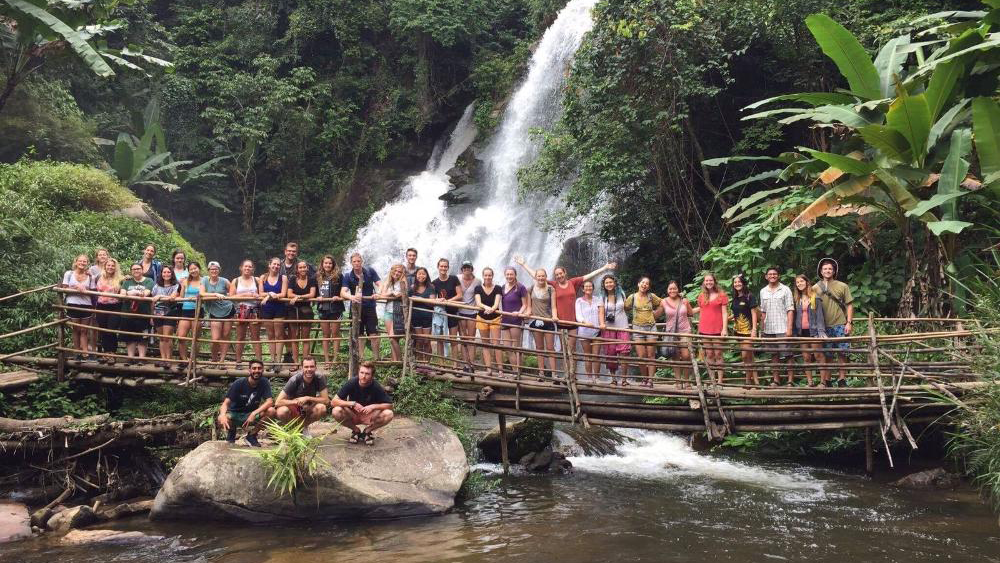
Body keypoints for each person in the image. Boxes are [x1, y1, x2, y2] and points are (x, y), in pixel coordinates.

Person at [513, 257, 617, 357]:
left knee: (572, 349)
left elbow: (588, 276)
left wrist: (604, 267)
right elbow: (537, 276)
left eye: (560, 273)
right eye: (557, 274)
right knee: (563, 350)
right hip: (559, 322)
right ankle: (566, 374)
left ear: (565, 273)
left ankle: (572, 375)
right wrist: (523, 264)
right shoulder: (553, 285)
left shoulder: (573, 282)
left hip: (573, 321)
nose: (559, 276)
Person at [331, 361, 394, 446]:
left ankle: (367, 432)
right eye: (362, 373)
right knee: (336, 411)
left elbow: (390, 405)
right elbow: (333, 402)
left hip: (369, 415)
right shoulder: (352, 382)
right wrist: (352, 403)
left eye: (367, 374)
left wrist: (373, 406)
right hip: (353, 414)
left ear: (372, 376)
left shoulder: (376, 386)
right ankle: (356, 430)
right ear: (358, 372)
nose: (363, 376)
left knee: (389, 414)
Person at [813, 257, 854, 387]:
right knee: (828, 354)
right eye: (825, 268)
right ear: (821, 271)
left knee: (842, 352)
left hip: (840, 323)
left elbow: (849, 305)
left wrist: (849, 322)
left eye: (830, 268)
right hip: (823, 326)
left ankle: (842, 379)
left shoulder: (842, 286)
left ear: (834, 270)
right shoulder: (815, 288)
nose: (827, 271)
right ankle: (828, 379)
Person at [217, 359, 275, 447]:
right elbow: (225, 403)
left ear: (262, 370)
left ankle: (252, 435)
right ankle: (231, 434)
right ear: (249, 370)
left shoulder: (264, 382)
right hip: (235, 413)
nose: (256, 371)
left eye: (259, 368)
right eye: (254, 368)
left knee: (271, 411)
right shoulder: (239, 383)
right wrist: (222, 415)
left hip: (250, 414)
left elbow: (270, 401)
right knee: (221, 418)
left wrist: (254, 413)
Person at [341, 252, 381, 360]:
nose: (357, 263)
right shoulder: (348, 276)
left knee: (374, 332)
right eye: (354, 261)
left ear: (362, 261)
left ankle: (376, 358)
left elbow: (380, 284)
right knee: (359, 334)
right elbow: (343, 292)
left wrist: (378, 293)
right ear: (351, 263)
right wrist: (351, 297)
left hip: (370, 307)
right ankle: (360, 358)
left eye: (358, 261)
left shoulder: (370, 271)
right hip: (355, 309)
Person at [759, 267, 795, 386]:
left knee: (788, 354)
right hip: (769, 328)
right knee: (773, 355)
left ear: (778, 276)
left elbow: (790, 309)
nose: (772, 276)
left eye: (775, 274)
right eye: (770, 274)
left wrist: (789, 328)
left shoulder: (785, 289)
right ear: (766, 277)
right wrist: (762, 329)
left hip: (783, 327)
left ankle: (790, 381)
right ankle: (776, 380)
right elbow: (763, 312)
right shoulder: (763, 291)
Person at [275, 357, 329, 431]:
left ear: (316, 368)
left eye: (312, 366)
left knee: (321, 408)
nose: (309, 369)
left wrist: (307, 398)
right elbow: (277, 402)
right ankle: (290, 428)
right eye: (306, 367)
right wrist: (296, 402)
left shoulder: (320, 378)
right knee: (282, 411)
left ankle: (302, 428)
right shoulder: (294, 379)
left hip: (308, 408)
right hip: (292, 408)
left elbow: (326, 400)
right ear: (302, 368)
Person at [625, 276, 661, 386]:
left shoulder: (651, 296)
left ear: (648, 286)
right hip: (637, 328)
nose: (644, 285)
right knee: (641, 356)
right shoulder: (632, 297)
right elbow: (625, 307)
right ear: (638, 284)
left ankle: (650, 380)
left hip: (651, 328)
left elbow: (663, 303)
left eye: (647, 283)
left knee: (651, 355)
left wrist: (657, 314)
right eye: (642, 283)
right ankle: (644, 378)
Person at [659, 280, 694, 388]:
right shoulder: (663, 302)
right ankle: (678, 381)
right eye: (670, 288)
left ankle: (687, 381)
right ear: (667, 290)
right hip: (671, 332)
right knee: (674, 356)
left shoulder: (684, 301)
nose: (672, 290)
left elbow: (691, 313)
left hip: (685, 331)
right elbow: (657, 314)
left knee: (686, 356)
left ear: (678, 289)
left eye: (674, 288)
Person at [694, 272, 729, 384]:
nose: (708, 282)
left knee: (718, 354)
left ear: (714, 282)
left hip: (717, 329)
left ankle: (720, 381)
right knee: (708, 354)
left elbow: (724, 313)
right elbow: (700, 309)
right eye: (706, 281)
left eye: (710, 280)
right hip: (704, 329)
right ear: (704, 282)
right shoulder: (701, 296)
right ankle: (712, 379)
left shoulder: (721, 295)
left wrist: (724, 329)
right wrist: (685, 308)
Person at [793, 274, 827, 387]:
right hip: (802, 332)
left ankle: (823, 382)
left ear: (807, 282)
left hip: (814, 331)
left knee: (818, 356)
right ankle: (810, 382)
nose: (799, 284)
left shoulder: (815, 297)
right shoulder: (797, 299)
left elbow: (820, 316)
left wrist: (821, 332)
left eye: (801, 281)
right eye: (797, 282)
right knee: (806, 357)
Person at [598, 274, 630, 385]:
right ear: (604, 285)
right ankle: (613, 379)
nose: (609, 284)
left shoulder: (621, 294)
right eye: (606, 283)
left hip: (623, 326)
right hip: (608, 328)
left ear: (615, 283)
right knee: (610, 354)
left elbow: (627, 307)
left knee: (624, 353)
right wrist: (602, 323)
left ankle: (624, 379)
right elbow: (601, 312)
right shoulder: (602, 297)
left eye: (610, 282)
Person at [526, 268, 558, 378]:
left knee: (550, 348)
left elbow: (553, 306)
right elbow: (529, 306)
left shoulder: (551, 289)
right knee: (539, 347)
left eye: (542, 276)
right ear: (535, 277)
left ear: (546, 277)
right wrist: (528, 313)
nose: (540, 278)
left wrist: (554, 316)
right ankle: (541, 373)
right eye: (538, 276)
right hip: (535, 321)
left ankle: (554, 374)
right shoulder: (530, 289)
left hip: (548, 320)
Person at [61, 254, 94, 359]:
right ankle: (76, 351)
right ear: (76, 262)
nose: (82, 263)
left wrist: (85, 289)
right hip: (73, 303)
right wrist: (76, 286)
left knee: (84, 330)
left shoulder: (90, 276)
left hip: (86, 304)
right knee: (75, 329)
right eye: (80, 261)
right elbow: (64, 288)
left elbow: (93, 291)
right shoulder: (69, 274)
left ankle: (85, 352)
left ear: (87, 263)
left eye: (84, 261)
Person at [119, 262, 154, 363]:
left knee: (143, 336)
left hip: (143, 313)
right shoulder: (127, 282)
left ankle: (141, 358)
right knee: (129, 336)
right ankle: (131, 357)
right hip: (127, 313)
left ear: (142, 270)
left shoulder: (148, 281)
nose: (136, 271)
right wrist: (134, 293)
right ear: (131, 271)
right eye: (134, 269)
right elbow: (122, 293)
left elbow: (146, 293)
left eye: (138, 269)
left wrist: (131, 293)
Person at [230, 260, 262, 367]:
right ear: (241, 268)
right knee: (240, 337)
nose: (247, 268)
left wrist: (257, 295)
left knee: (255, 337)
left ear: (253, 269)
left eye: (250, 267)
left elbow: (261, 294)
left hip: (255, 309)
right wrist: (247, 294)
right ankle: (238, 361)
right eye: (245, 266)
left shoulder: (257, 280)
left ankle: (259, 362)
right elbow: (232, 296)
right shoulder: (236, 281)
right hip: (241, 309)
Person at [431, 258, 462, 365]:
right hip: (440, 313)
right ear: (438, 267)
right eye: (441, 266)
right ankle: (441, 364)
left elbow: (459, 295)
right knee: (440, 340)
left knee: (453, 340)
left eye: (445, 266)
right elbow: (433, 298)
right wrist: (439, 301)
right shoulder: (434, 283)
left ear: (448, 267)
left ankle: (455, 365)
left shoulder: (454, 279)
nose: (443, 268)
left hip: (452, 312)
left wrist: (448, 301)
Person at [315, 255, 345, 367]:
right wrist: (317, 296)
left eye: (330, 263)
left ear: (333, 265)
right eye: (326, 263)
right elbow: (314, 291)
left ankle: (335, 359)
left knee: (335, 334)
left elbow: (344, 290)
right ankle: (327, 360)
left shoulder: (339, 276)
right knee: (326, 334)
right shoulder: (318, 276)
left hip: (336, 308)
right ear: (322, 264)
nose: (328, 265)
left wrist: (339, 297)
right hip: (323, 308)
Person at [730, 274, 759, 385]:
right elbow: (736, 314)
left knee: (745, 355)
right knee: (749, 357)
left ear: (743, 283)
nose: (737, 284)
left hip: (748, 330)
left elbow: (754, 313)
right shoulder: (735, 298)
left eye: (739, 282)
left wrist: (754, 330)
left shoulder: (749, 296)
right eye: (735, 282)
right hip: (738, 331)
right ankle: (755, 381)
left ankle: (747, 380)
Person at [287, 260, 318, 367]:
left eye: (304, 267)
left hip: (306, 311)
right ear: (297, 269)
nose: (303, 269)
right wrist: (297, 296)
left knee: (305, 338)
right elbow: (289, 294)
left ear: (307, 268)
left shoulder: (312, 279)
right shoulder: (292, 279)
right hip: (293, 311)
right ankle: (295, 363)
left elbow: (312, 294)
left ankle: (305, 364)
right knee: (295, 338)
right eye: (300, 267)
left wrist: (298, 297)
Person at [258, 257, 288, 369]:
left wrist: (269, 295)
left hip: (279, 308)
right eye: (274, 264)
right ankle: (272, 360)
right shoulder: (263, 277)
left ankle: (278, 361)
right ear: (269, 265)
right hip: (267, 308)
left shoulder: (283, 278)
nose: (276, 266)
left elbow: (283, 294)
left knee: (279, 335)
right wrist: (271, 294)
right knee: (270, 335)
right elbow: (260, 293)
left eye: (278, 265)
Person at [474, 268, 504, 376]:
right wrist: (488, 307)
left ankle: (500, 370)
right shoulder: (478, 288)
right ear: (483, 276)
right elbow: (478, 302)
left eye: (489, 275)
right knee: (485, 344)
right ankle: (489, 369)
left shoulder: (498, 288)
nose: (487, 277)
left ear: (492, 276)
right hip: (481, 318)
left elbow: (496, 303)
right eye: (486, 275)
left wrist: (492, 309)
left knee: (496, 344)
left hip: (495, 318)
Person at [93, 257, 123, 364]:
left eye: (112, 265)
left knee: (111, 330)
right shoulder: (99, 277)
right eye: (108, 265)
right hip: (101, 306)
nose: (110, 267)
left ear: (115, 267)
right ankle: (106, 353)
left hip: (115, 306)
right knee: (103, 330)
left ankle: (112, 354)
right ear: (105, 266)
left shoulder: (120, 279)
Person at [500, 267, 529, 375]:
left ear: (515, 275)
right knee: (508, 348)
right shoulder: (502, 288)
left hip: (516, 320)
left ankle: (518, 373)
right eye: (507, 274)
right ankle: (514, 371)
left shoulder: (520, 287)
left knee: (515, 347)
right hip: (505, 319)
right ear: (505, 275)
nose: (509, 276)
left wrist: (519, 312)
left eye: (511, 274)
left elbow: (525, 304)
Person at [203, 261, 234, 363]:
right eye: (212, 269)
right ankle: (214, 359)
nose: (214, 271)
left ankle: (222, 360)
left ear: (219, 270)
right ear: (208, 271)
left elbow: (234, 293)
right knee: (215, 338)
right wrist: (215, 294)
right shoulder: (205, 281)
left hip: (228, 309)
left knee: (226, 336)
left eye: (216, 269)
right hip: (214, 311)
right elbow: (201, 293)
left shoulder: (225, 281)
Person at [151, 265, 181, 368]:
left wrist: (159, 296)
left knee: (167, 337)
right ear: (161, 274)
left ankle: (169, 359)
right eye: (164, 272)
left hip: (170, 312)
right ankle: (163, 359)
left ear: (172, 274)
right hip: (157, 313)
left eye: (168, 272)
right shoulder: (156, 286)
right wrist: (151, 316)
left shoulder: (176, 285)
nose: (166, 274)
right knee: (161, 338)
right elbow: (152, 301)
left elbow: (172, 297)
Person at [176, 262, 205, 364]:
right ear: (188, 271)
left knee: (195, 338)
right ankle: (184, 360)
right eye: (191, 269)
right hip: (185, 310)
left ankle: (193, 361)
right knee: (181, 336)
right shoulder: (185, 282)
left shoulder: (204, 280)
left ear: (199, 268)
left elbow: (204, 295)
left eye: (195, 268)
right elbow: (181, 296)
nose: (193, 271)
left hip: (198, 311)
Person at [378, 264, 407, 362]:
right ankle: (394, 360)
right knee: (393, 339)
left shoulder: (402, 282)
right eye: (395, 271)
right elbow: (382, 295)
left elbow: (403, 294)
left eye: (399, 272)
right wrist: (391, 293)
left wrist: (397, 294)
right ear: (392, 271)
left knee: (392, 338)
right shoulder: (388, 282)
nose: (397, 273)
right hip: (388, 311)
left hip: (398, 312)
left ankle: (399, 360)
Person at [575, 280, 602, 381]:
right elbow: (578, 315)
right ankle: (590, 378)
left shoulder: (598, 300)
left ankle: (597, 378)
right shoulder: (579, 301)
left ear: (593, 288)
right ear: (583, 289)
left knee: (596, 355)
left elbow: (601, 313)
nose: (588, 288)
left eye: (590, 286)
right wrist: (584, 322)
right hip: (584, 330)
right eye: (586, 287)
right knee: (587, 355)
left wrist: (601, 324)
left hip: (597, 331)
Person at [457, 261, 481, 371]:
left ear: (472, 269)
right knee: (463, 339)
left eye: (468, 267)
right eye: (464, 267)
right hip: (460, 312)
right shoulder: (457, 278)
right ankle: (465, 364)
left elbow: (481, 295)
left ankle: (471, 363)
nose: (466, 269)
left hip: (472, 312)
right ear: (462, 269)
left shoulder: (477, 281)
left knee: (471, 339)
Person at [409, 267, 435, 362]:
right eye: (419, 274)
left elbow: (432, 303)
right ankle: (420, 363)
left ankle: (427, 363)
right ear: (416, 275)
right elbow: (408, 301)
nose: (421, 276)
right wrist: (425, 300)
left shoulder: (430, 287)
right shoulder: (412, 288)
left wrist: (418, 299)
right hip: (416, 317)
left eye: (423, 274)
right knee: (419, 340)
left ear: (426, 275)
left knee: (426, 340)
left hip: (427, 317)